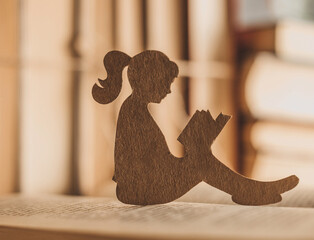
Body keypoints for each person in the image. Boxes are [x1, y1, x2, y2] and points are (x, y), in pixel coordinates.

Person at [92, 50, 299, 205]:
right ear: (148, 80)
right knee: (202, 163)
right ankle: (250, 191)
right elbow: (149, 166)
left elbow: (156, 161)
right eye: (165, 83)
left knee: (201, 160)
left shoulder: (136, 110)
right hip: (139, 190)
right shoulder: (134, 114)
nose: (169, 91)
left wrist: (196, 147)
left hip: (143, 185)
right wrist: (196, 150)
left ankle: (249, 191)